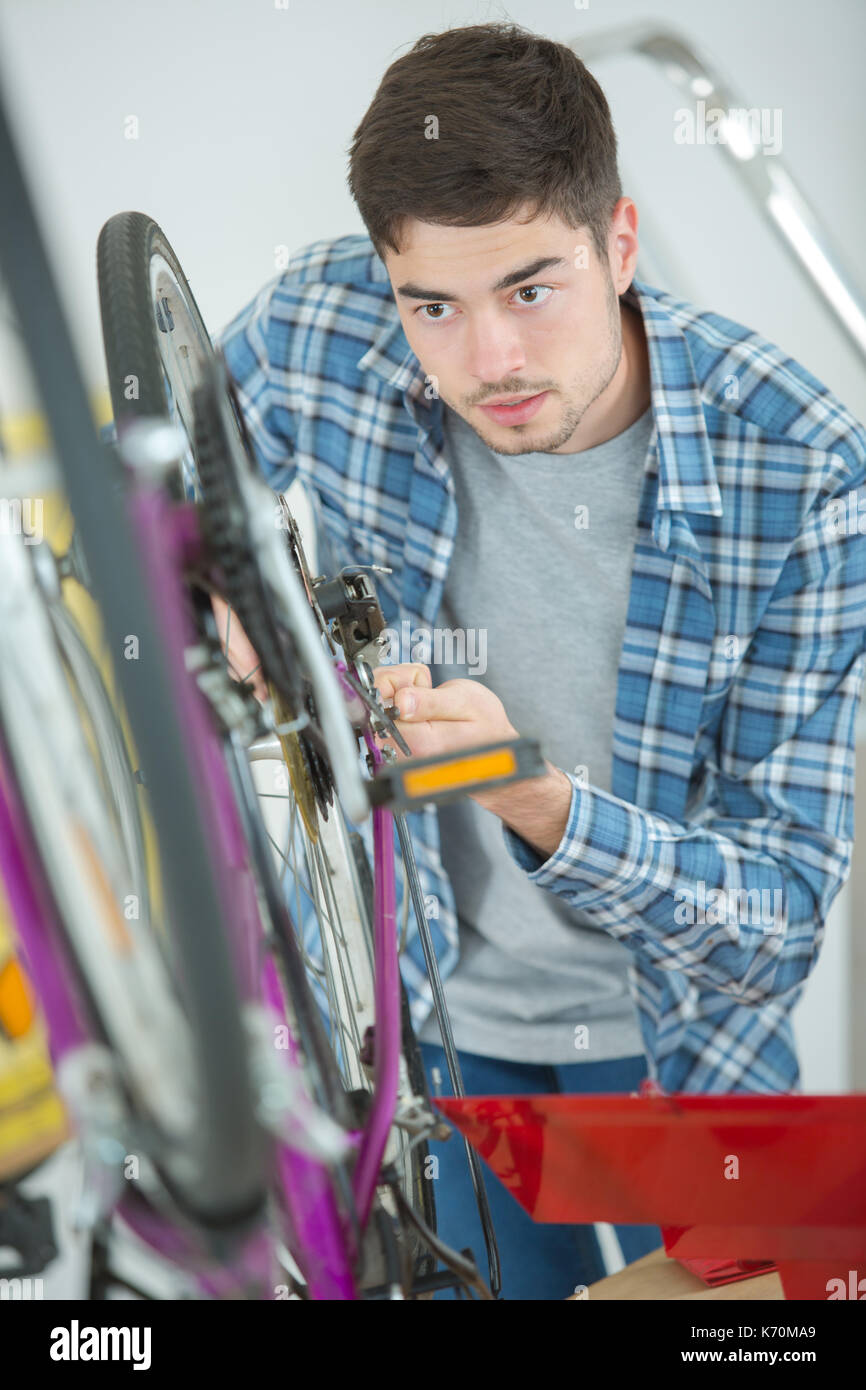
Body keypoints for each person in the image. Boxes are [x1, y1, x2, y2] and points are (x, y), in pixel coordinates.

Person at [216, 22, 866, 1299]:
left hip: (685, 1052)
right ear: (384, 279)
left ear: (617, 244)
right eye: (433, 308)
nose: (490, 361)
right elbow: (168, 485)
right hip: (423, 1023)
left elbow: (777, 918)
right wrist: (219, 583)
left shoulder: (803, 469)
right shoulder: (318, 320)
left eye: (531, 288)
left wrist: (533, 799)